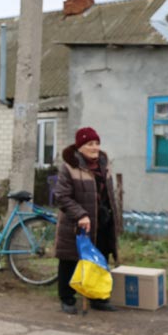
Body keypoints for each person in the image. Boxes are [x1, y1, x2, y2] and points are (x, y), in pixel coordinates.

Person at [53, 127, 121, 314]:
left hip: (102, 222)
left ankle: (98, 298)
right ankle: (67, 298)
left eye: (97, 143)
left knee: (99, 260)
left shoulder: (104, 165)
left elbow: (108, 194)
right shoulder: (70, 166)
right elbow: (61, 196)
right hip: (76, 223)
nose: (95, 147)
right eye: (90, 144)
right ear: (80, 147)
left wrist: (112, 217)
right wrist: (80, 215)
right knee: (70, 260)